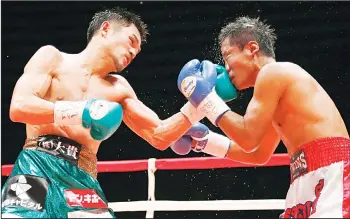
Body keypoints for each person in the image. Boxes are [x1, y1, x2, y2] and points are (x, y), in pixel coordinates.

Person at [1, 6, 223, 218]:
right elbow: (19, 107)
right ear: (106, 29)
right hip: (35, 166)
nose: (134, 51)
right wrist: (80, 111)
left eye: (137, 50)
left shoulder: (119, 89)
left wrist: (201, 101)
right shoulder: (53, 58)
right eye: (131, 41)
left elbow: (159, 135)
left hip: (81, 179)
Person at [172, 16, 350, 218]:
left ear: (251, 48)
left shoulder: (273, 72)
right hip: (305, 178)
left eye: (228, 55)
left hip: (333, 171)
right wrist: (206, 142)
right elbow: (258, 153)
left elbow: (248, 138)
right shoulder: (273, 91)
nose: (226, 69)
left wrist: (206, 99)